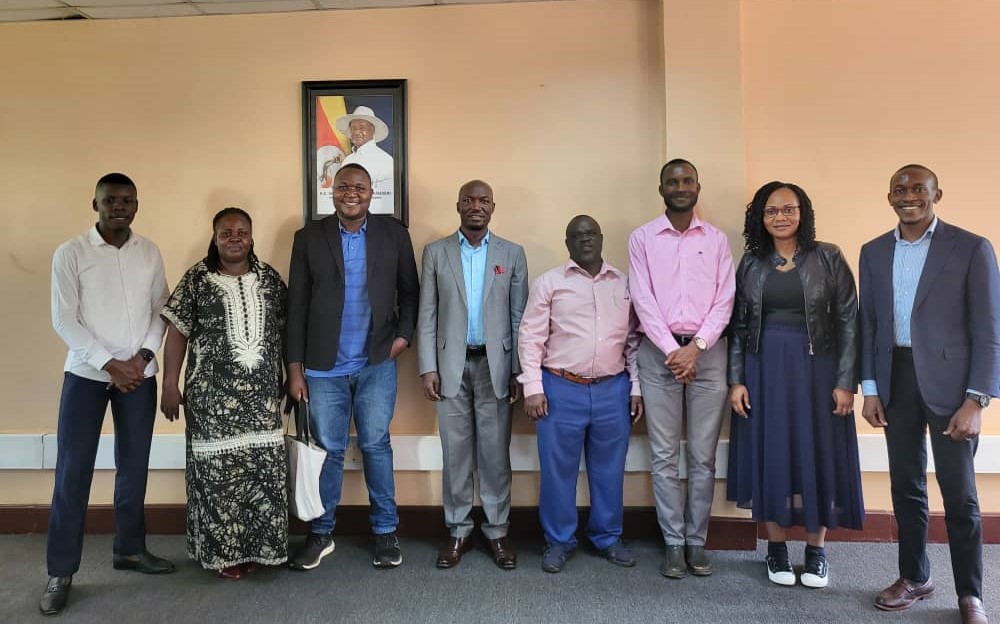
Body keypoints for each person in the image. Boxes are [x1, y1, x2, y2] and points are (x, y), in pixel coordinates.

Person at [860, 164, 999, 624]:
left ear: (937, 193)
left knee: (960, 495)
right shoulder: (873, 252)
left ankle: (971, 595)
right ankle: (915, 576)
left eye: (919, 188)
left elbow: (988, 331)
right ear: (889, 196)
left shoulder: (972, 248)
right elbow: (870, 326)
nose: (909, 195)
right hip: (895, 378)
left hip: (952, 386)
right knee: (906, 486)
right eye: (899, 188)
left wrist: (976, 399)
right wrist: (871, 388)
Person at [41, 173, 173, 616]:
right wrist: (108, 363)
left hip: (139, 374)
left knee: (133, 468)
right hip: (86, 375)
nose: (120, 206)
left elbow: (162, 311)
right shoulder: (71, 253)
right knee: (72, 472)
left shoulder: (149, 252)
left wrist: (141, 358)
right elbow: (64, 320)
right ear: (94, 203)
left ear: (137, 204)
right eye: (111, 200)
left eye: (128, 200)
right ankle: (60, 570)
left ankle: (130, 550)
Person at [726, 181, 864, 588]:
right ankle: (776, 549)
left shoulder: (829, 256)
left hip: (817, 368)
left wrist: (845, 382)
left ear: (802, 213)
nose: (781, 217)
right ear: (760, 218)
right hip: (762, 367)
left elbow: (848, 322)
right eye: (771, 211)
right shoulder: (751, 263)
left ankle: (816, 551)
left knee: (817, 449)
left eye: (789, 209)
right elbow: (738, 325)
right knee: (770, 448)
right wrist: (736, 380)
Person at [286, 163, 419, 570]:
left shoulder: (394, 235)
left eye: (359, 187)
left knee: (376, 445)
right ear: (332, 190)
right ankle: (321, 532)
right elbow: (297, 307)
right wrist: (294, 369)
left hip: (377, 362)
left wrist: (402, 340)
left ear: (370, 192)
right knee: (328, 450)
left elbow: (410, 293)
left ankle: (385, 532)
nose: (351, 193)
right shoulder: (309, 238)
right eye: (344, 186)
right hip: (323, 368)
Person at [159, 207, 289, 580]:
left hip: (262, 398)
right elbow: (178, 332)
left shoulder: (269, 280)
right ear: (214, 237)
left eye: (241, 232)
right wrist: (170, 383)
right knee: (218, 478)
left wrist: (291, 375)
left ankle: (262, 548)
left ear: (252, 236)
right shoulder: (197, 280)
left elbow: (286, 331)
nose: (234, 238)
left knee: (263, 474)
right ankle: (223, 554)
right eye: (225, 232)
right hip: (211, 398)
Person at [517, 215, 644, 573]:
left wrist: (636, 387)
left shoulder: (623, 284)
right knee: (558, 471)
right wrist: (533, 388)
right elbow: (531, 338)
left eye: (590, 234)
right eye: (576, 235)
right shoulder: (550, 283)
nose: (584, 239)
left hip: (612, 389)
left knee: (609, 470)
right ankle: (558, 540)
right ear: (567, 242)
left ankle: (607, 536)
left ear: (601, 238)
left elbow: (634, 342)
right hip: (559, 388)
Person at [628, 158, 735, 579]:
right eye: (672, 181)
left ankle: (697, 541)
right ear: (661, 189)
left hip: (708, 355)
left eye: (687, 180)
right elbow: (642, 297)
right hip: (660, 354)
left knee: (704, 457)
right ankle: (673, 542)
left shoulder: (717, 239)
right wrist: (675, 350)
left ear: (698, 187)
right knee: (664, 455)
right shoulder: (642, 238)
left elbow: (725, 298)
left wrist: (698, 348)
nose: (680, 186)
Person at [417, 179, 528, 570]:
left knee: (496, 455)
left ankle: (497, 532)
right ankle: (459, 530)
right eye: (469, 200)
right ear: (458, 205)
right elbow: (426, 315)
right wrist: (427, 367)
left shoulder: (512, 254)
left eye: (483, 201)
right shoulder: (435, 253)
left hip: (495, 368)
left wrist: (519, 370)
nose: (476, 206)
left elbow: (519, 318)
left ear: (493, 207)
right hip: (450, 368)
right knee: (456, 454)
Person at [336, 106, 394, 215]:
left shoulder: (385, 160)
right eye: (353, 128)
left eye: (362, 128)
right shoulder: (347, 160)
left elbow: (387, 202)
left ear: (372, 130)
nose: (357, 132)